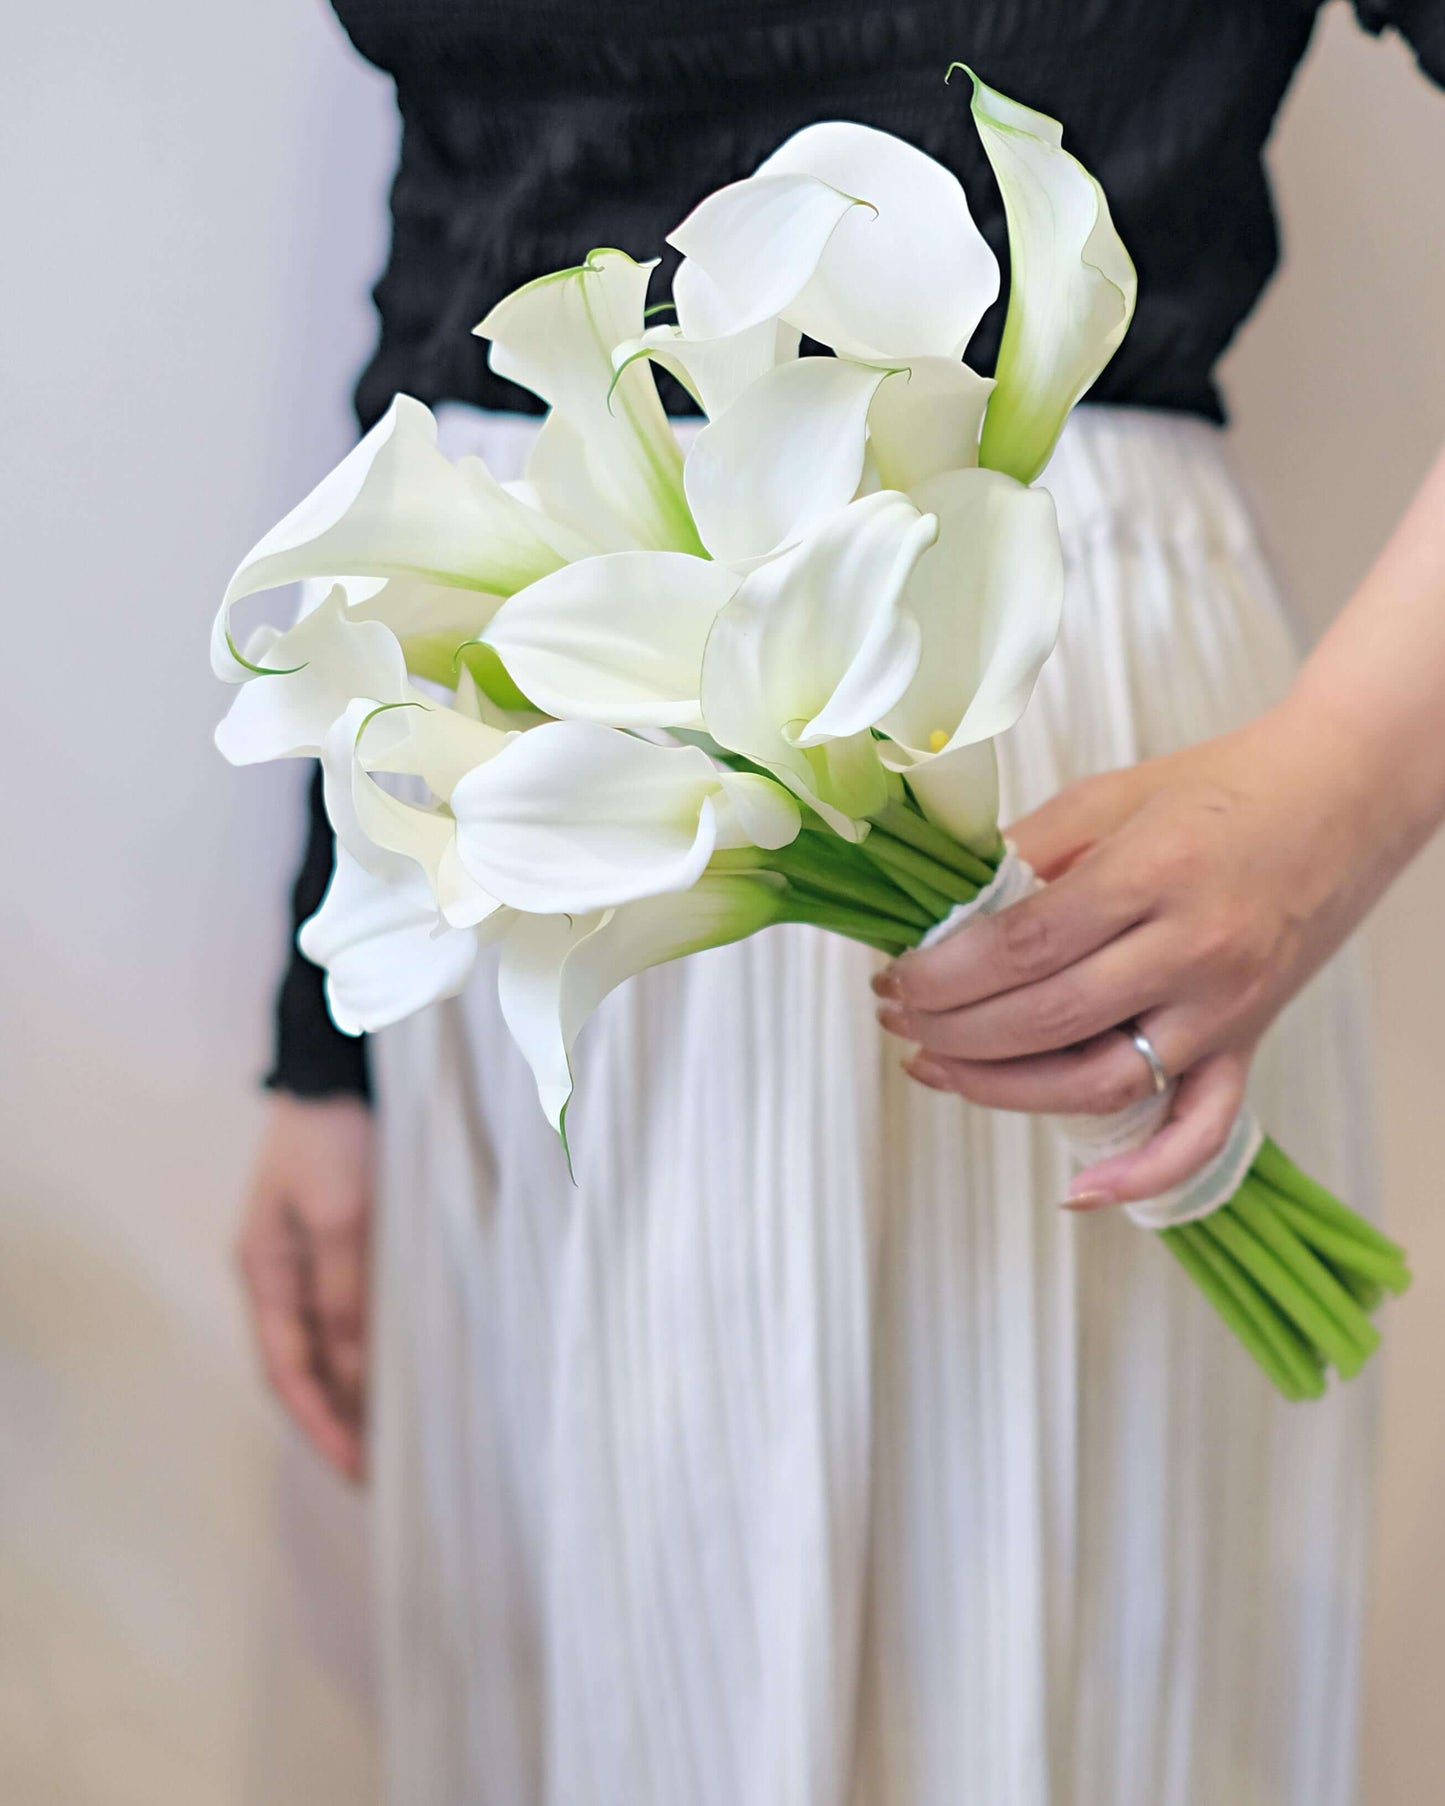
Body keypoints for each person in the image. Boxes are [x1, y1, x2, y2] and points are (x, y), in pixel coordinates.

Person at [235, 4, 1445, 1801]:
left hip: (1013, 691)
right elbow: (466, 253)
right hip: (521, 825)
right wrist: (325, 1031)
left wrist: (1342, 785)